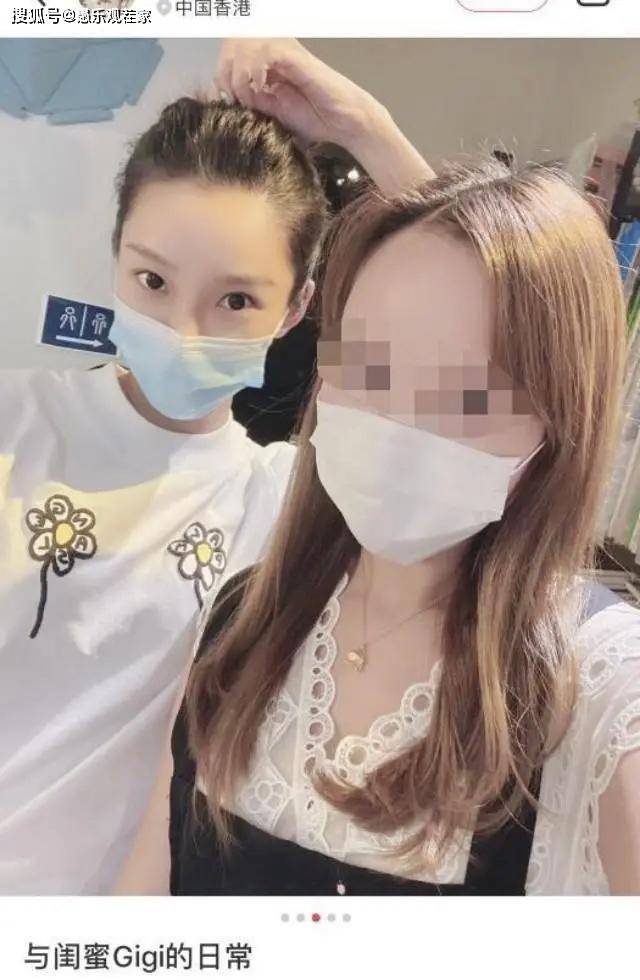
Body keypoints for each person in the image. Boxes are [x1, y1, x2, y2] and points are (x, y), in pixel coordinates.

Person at [116, 154, 640, 896]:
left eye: (464, 393)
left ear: (559, 421)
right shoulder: (246, 621)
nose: (394, 423)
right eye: (365, 366)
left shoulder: (597, 689)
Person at [0, 38, 434, 895]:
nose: (184, 327)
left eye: (235, 299)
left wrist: (367, 128)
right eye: (153, 281)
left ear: (296, 308)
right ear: (116, 257)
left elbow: (492, 319)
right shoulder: (18, 421)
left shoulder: (284, 503)